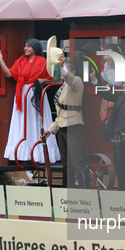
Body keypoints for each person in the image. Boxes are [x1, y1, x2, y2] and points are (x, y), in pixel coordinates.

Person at [0, 39, 60, 163]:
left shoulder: (42, 61)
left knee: (38, 120)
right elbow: (8, 74)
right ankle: (24, 154)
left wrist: (42, 80)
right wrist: (1, 61)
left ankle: (41, 154)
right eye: (25, 46)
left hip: (37, 94)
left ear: (35, 48)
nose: (26, 48)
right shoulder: (20, 60)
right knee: (24, 121)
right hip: (23, 94)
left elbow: (50, 78)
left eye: (28, 46)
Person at [42, 59, 88, 188]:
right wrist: (50, 130)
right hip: (62, 128)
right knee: (66, 164)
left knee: (77, 163)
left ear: (72, 71)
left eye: (65, 69)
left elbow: (71, 80)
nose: (62, 72)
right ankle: (68, 193)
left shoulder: (76, 81)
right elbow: (61, 114)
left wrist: (62, 66)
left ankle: (86, 195)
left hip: (74, 126)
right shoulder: (63, 87)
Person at [99, 43, 125, 123]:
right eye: (104, 55)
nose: (105, 57)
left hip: (123, 95)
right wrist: (109, 85)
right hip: (112, 95)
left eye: (108, 54)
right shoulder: (106, 66)